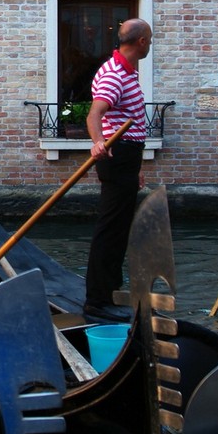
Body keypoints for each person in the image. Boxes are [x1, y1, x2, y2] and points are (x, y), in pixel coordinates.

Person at [83, 18, 152, 322]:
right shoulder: (114, 74)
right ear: (140, 42)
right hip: (117, 155)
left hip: (127, 157)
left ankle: (109, 291)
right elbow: (95, 114)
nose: (150, 44)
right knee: (110, 229)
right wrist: (98, 142)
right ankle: (97, 300)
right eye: (149, 39)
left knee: (119, 228)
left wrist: (135, 167)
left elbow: (128, 118)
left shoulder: (126, 71)